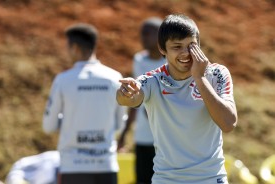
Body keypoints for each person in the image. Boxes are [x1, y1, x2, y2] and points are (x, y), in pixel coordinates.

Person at [116, 14, 238, 184]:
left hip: (211, 178)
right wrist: (125, 93)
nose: (186, 53)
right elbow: (129, 99)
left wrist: (200, 78)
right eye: (177, 46)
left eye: (191, 45)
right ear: (162, 49)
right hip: (167, 180)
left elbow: (228, 123)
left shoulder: (217, 74)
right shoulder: (153, 80)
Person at [43, 23, 126, 184]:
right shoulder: (115, 78)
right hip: (106, 165)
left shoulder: (63, 80)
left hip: (73, 166)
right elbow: (119, 125)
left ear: (75, 48)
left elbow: (48, 126)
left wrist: (67, 120)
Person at [117, 17, 165, 184]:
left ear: (159, 36)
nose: (142, 37)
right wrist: (124, 134)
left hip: (165, 140)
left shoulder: (170, 63)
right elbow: (135, 100)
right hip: (143, 137)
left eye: (146, 33)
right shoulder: (139, 60)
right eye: (141, 34)